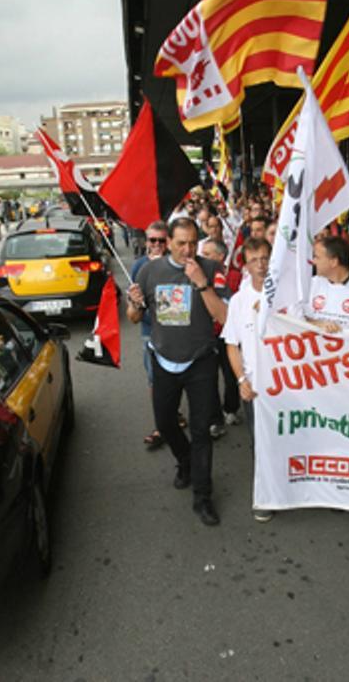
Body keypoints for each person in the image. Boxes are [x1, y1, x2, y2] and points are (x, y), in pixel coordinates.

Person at [127, 218, 229, 526]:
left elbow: (224, 317)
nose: (187, 249)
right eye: (181, 242)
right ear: (169, 242)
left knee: (201, 432)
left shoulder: (209, 270)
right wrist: (134, 304)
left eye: (192, 243)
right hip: (164, 361)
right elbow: (134, 317)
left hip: (200, 361)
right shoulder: (149, 271)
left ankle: (203, 496)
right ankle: (184, 462)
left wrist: (200, 282)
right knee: (166, 423)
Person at [222, 237, 273, 523]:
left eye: (265, 258)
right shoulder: (239, 302)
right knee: (259, 441)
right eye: (254, 260)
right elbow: (232, 345)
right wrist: (241, 379)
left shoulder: (286, 295)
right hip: (255, 386)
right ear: (246, 265)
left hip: (287, 385)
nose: (261, 265)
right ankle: (265, 496)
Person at [130, 221, 169, 449]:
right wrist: (135, 302)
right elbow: (133, 313)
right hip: (149, 332)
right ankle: (160, 425)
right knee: (154, 379)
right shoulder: (138, 266)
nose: (156, 245)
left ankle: (173, 415)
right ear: (146, 242)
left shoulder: (177, 265)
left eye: (161, 241)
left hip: (175, 333)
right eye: (152, 240)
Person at [198, 238, 238, 438]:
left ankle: (230, 408)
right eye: (202, 253)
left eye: (207, 253)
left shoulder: (230, 275)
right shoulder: (196, 274)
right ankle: (215, 419)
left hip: (228, 334)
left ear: (220, 256)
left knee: (231, 375)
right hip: (207, 335)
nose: (202, 257)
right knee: (208, 379)